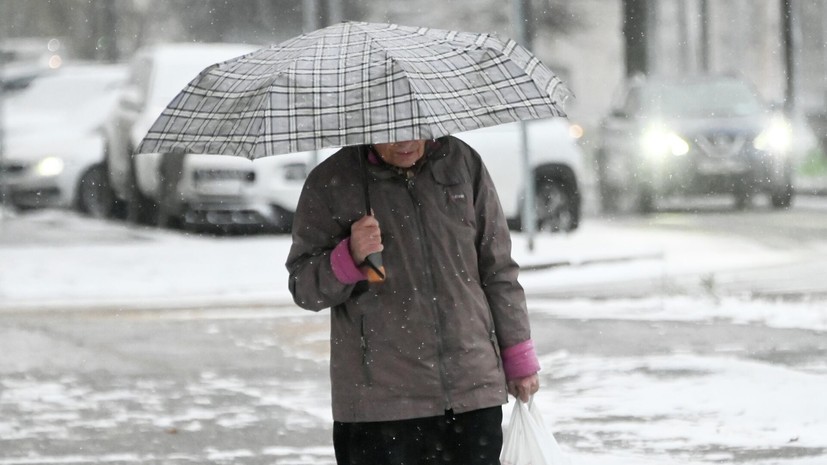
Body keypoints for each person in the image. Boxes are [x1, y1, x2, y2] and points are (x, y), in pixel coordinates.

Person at [286, 136, 541, 465]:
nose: (405, 141)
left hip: (471, 392)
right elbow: (304, 286)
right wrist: (348, 256)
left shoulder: (461, 163)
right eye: (390, 134)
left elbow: (498, 269)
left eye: (414, 129)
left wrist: (518, 356)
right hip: (380, 407)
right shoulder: (333, 181)